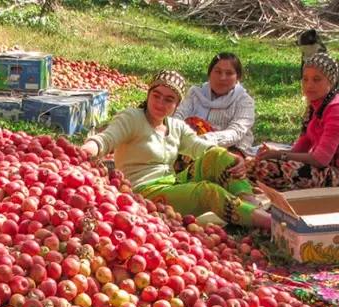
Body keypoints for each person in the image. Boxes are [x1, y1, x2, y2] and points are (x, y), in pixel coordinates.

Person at [81, 70, 271, 230]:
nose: (160, 104)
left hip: (172, 183)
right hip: (143, 193)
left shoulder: (175, 126)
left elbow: (200, 147)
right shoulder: (132, 118)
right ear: (148, 94)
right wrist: (85, 151)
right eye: (156, 96)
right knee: (207, 192)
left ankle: (252, 206)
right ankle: (267, 223)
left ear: (177, 105)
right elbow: (106, 139)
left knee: (218, 155)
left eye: (169, 100)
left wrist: (230, 157)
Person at [251, 53, 339, 190]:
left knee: (266, 168)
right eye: (305, 80)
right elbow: (300, 149)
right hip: (324, 169)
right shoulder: (315, 107)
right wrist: (273, 153)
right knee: (253, 165)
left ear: (330, 82)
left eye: (317, 80)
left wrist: (279, 155)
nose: (309, 85)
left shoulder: (338, 109)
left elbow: (320, 159)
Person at [174, 53, 256, 151]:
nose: (222, 78)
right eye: (217, 71)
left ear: (237, 78)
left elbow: (236, 132)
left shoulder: (244, 101)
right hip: (188, 145)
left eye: (229, 73)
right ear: (209, 74)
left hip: (229, 151)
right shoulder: (195, 94)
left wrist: (202, 141)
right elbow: (178, 117)